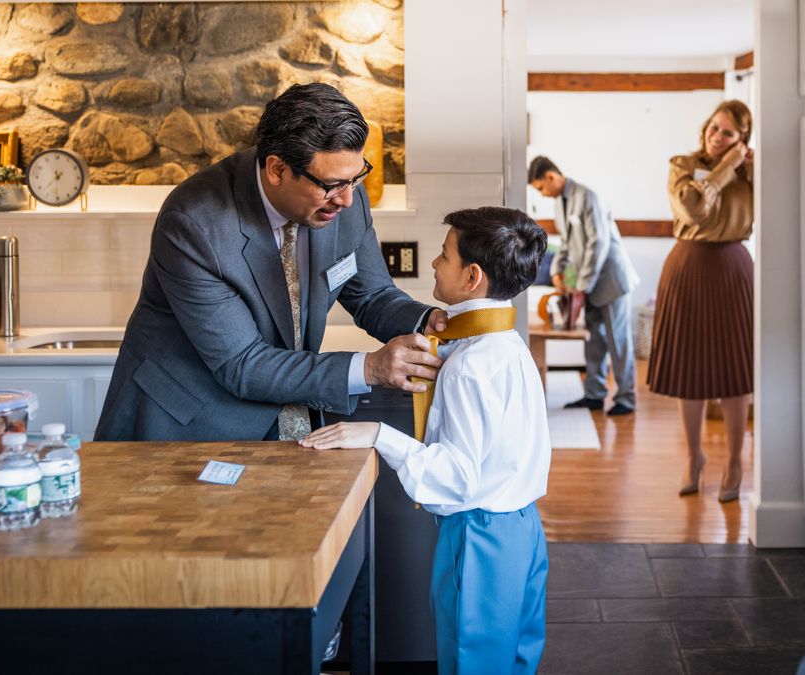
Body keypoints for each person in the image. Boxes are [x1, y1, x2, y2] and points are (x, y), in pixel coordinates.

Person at [96, 83, 446, 442]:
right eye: (333, 184)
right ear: (277, 170)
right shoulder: (195, 223)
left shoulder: (343, 199)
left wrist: (430, 322)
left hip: (286, 413)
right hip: (190, 424)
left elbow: (372, 296)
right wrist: (369, 367)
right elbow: (242, 364)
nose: (347, 199)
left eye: (357, 177)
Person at [301, 206, 551, 675]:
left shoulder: (468, 365)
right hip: (525, 531)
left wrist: (378, 434)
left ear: (472, 276)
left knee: (470, 665)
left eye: (444, 255)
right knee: (515, 662)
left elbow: (456, 478)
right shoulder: (509, 345)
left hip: (477, 540)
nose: (435, 265)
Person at [648, 100, 755, 502]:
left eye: (727, 133)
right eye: (713, 128)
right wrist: (726, 169)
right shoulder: (683, 165)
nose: (717, 137)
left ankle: (735, 461)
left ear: (742, 138)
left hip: (733, 269)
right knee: (688, 370)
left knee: (734, 371)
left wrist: (743, 167)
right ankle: (694, 457)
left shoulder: (755, 171)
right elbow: (692, 209)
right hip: (687, 268)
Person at [527, 156, 639, 416]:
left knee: (618, 341)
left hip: (611, 281)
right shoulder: (560, 204)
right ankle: (594, 394)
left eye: (541, 188)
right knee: (594, 341)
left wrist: (582, 285)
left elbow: (597, 244)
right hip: (588, 283)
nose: (543, 194)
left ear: (552, 177)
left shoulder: (588, 197)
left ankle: (626, 398)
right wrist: (557, 272)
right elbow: (566, 244)